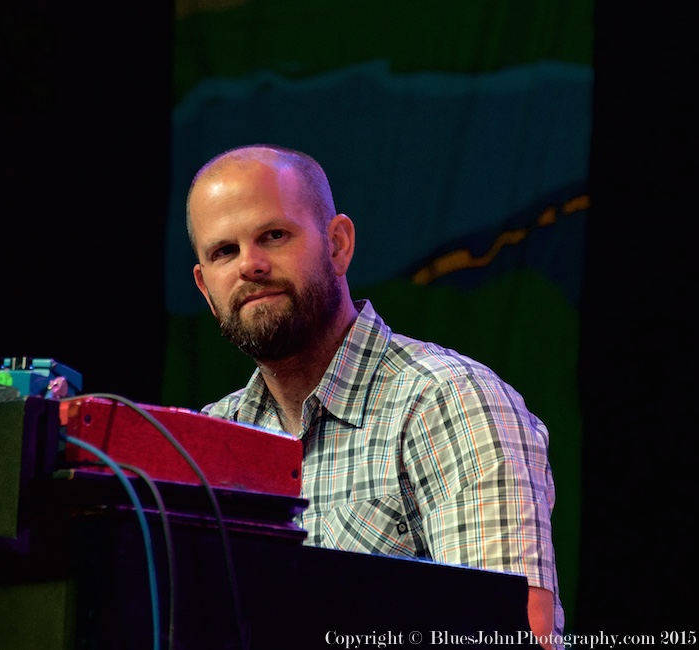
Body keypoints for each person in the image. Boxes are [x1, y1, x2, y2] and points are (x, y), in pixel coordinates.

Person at [185, 144, 564, 647]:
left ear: (338, 245)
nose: (249, 264)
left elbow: (515, 636)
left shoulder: (448, 400)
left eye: (273, 235)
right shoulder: (208, 438)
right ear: (206, 289)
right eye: (223, 252)